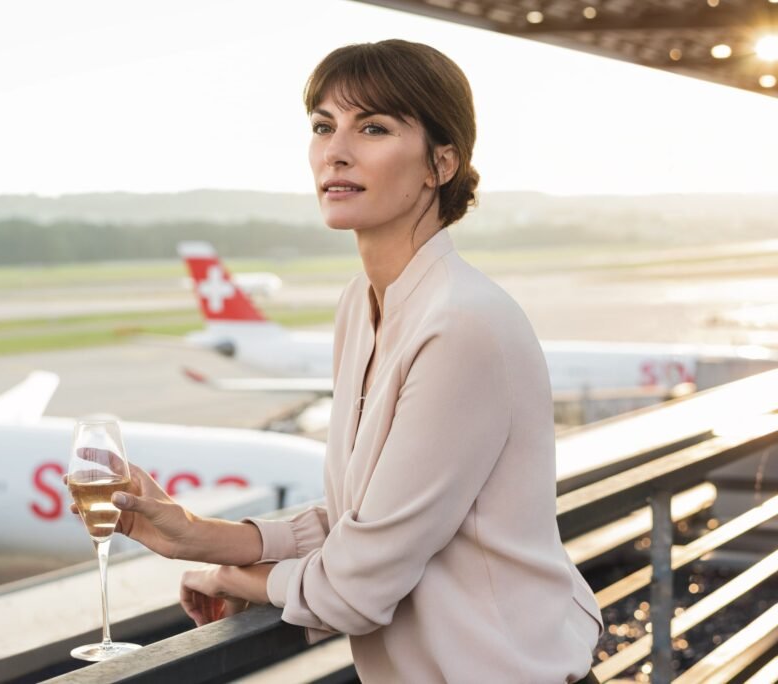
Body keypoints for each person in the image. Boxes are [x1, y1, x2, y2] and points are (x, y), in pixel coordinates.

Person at [94, 39, 604, 682]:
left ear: (440, 162)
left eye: (373, 127)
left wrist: (231, 576)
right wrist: (195, 533)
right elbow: (360, 521)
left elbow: (356, 590)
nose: (336, 150)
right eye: (322, 126)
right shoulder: (362, 305)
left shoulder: (462, 324)